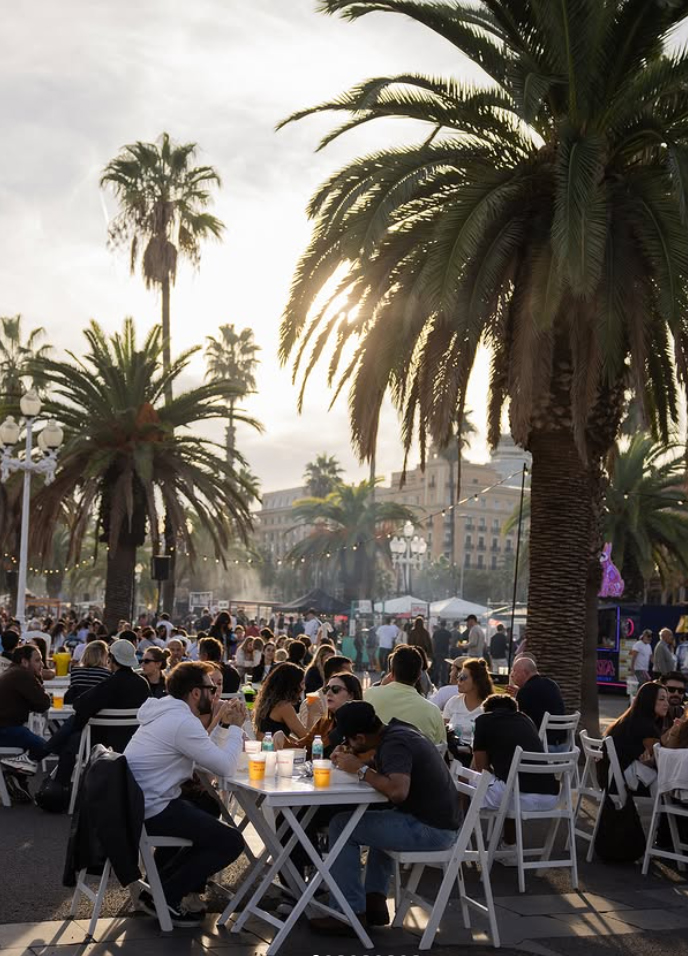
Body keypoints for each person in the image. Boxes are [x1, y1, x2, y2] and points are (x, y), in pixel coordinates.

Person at [310, 701, 461, 935]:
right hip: (438, 822)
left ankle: (349, 913)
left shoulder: (395, 744)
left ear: (360, 738)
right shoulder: (398, 731)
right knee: (376, 819)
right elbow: (389, 766)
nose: (344, 744)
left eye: (347, 740)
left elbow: (398, 791)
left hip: (432, 830)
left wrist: (360, 769)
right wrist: (357, 762)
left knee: (341, 824)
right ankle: (375, 903)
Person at [124, 661, 246, 926]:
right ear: (195, 693)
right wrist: (235, 727)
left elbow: (203, 757)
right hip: (151, 808)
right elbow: (225, 767)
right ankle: (166, 895)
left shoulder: (165, 712)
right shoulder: (181, 721)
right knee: (231, 842)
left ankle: (159, 884)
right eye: (211, 689)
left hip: (135, 802)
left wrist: (223, 731)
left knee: (206, 809)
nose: (215, 695)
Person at [471, 694, 558, 857]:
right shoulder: (526, 720)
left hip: (517, 797)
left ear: (488, 710)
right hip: (550, 797)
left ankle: (457, 839)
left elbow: (481, 769)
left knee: (463, 781)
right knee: (509, 784)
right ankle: (508, 846)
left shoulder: (484, 720)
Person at [364, 646, 445, 744]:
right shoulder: (433, 711)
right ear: (419, 675)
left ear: (392, 673)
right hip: (417, 758)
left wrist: (381, 686)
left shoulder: (369, 695)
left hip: (375, 757)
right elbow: (440, 747)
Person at [605, 681, 669, 792]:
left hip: (611, 780)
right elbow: (660, 760)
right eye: (661, 699)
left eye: (666, 699)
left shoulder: (630, 720)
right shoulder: (645, 727)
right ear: (649, 701)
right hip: (623, 785)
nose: (666, 704)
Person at [0, 645, 51, 774]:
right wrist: (38, 678)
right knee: (45, 746)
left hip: (7, 727)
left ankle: (17, 774)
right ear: (24, 661)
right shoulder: (22, 674)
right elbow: (44, 703)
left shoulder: (13, 671)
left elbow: (39, 706)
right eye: (37, 660)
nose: (42, 664)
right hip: (5, 729)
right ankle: (13, 769)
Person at [509, 657, 566, 749]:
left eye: (515, 671)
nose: (512, 675)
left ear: (524, 673)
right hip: (562, 745)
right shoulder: (551, 684)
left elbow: (518, 722)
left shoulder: (526, 691)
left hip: (542, 746)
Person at [253, 662, 307, 741]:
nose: (304, 688)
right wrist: (312, 713)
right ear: (292, 686)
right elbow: (306, 738)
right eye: (302, 683)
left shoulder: (268, 701)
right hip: (271, 751)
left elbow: (281, 734)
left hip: (265, 748)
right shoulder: (284, 707)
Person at [443, 658, 494, 740]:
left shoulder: (490, 707)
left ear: (477, 681)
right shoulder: (453, 702)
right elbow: (443, 732)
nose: (458, 680)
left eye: (463, 677)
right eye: (459, 676)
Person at [431, 620, 452, 685]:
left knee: (437, 668)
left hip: (437, 652)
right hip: (445, 652)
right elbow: (450, 642)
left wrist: (433, 651)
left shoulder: (436, 632)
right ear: (445, 625)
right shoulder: (448, 633)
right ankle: (444, 682)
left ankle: (435, 682)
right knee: (444, 669)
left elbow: (433, 643)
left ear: (440, 624)